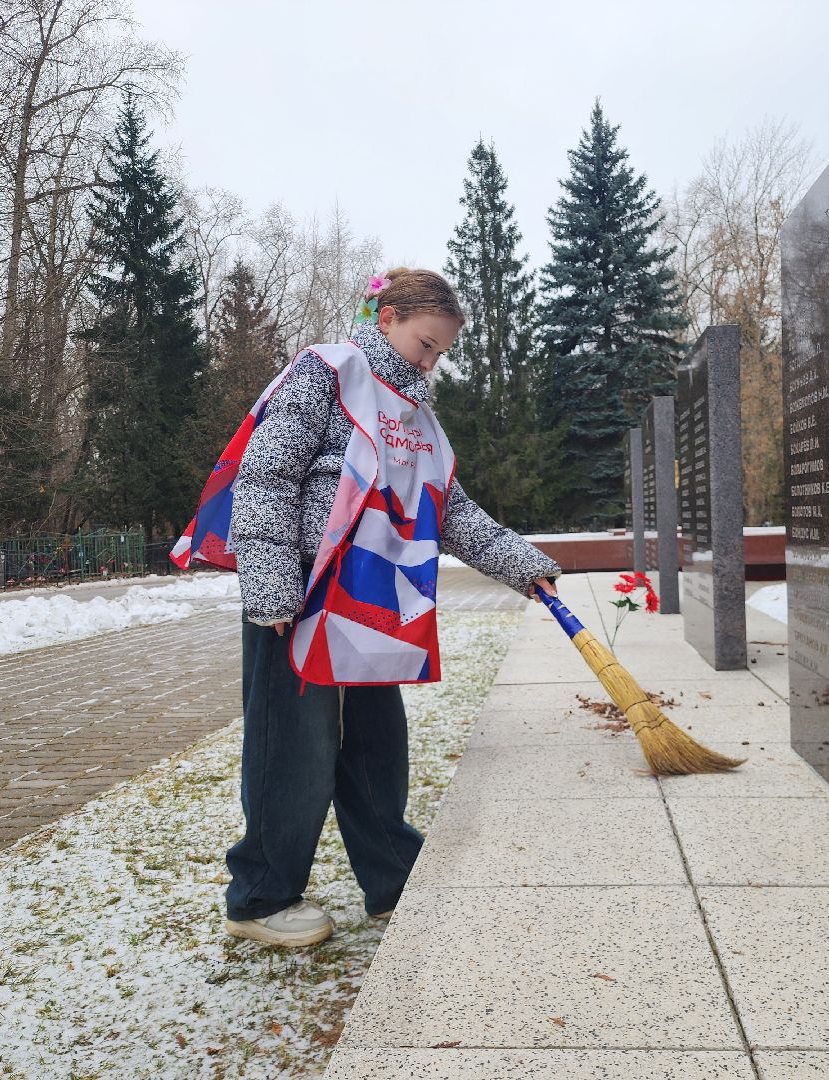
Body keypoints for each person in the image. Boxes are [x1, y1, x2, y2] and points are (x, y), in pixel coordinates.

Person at [221, 267, 562, 947]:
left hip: (375, 602)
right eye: (425, 343)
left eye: (441, 352)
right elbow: (267, 474)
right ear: (388, 318)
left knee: (379, 746)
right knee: (294, 747)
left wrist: (528, 569)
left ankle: (391, 881)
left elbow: (454, 511)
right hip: (299, 598)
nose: (432, 361)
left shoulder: (418, 419)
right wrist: (270, 586)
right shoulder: (325, 374)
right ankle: (259, 896)